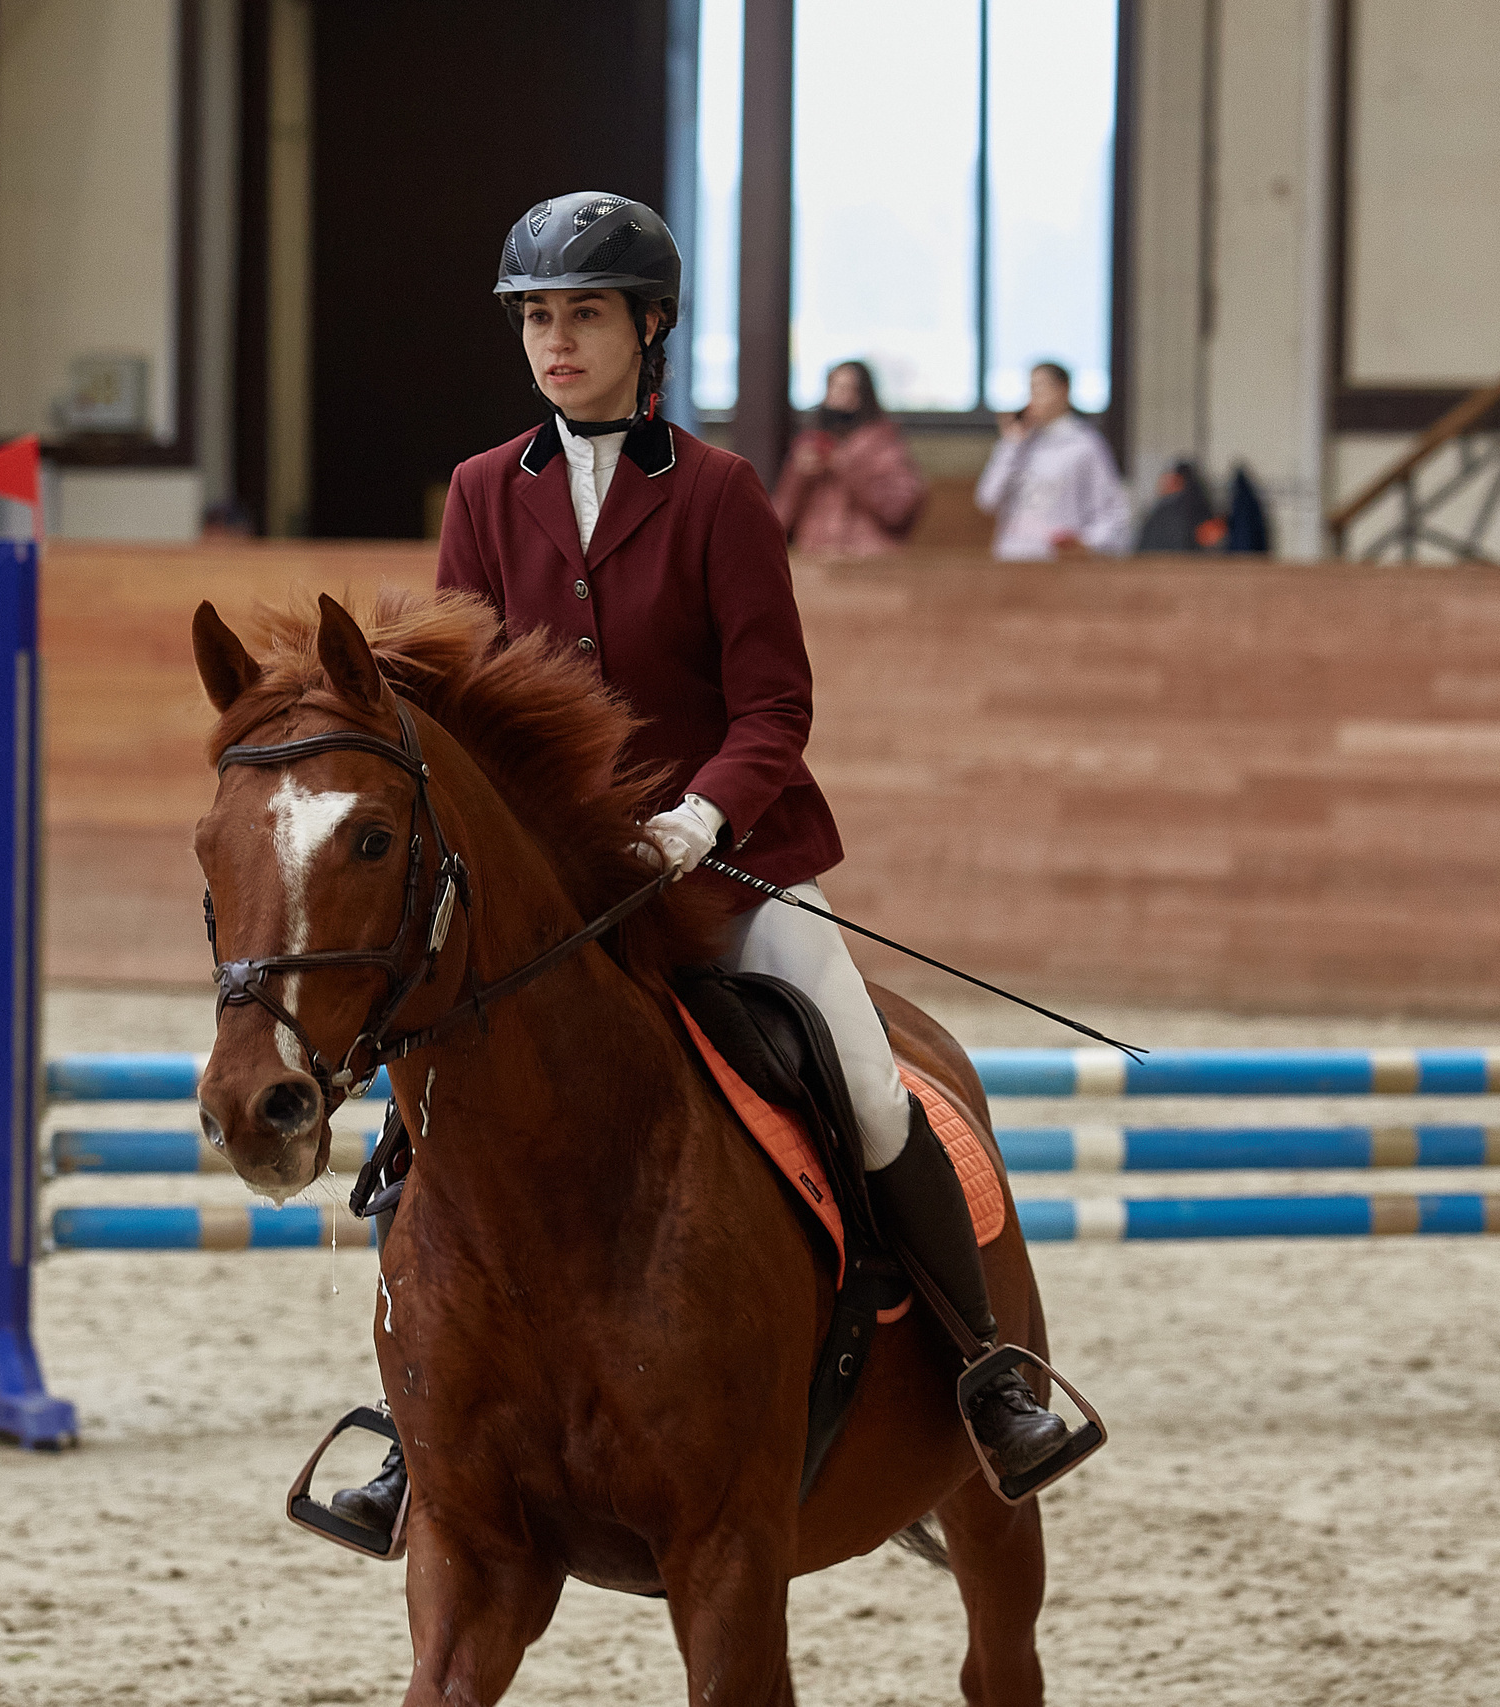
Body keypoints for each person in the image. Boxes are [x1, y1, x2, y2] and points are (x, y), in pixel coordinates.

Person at [327, 190, 1076, 1537]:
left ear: (650, 327)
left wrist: (700, 818)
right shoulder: (486, 491)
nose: (557, 342)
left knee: (868, 1088)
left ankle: (985, 1373)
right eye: (537, 319)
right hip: (555, 900)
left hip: (727, 872)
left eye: (585, 315)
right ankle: (411, 1418)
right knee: (415, 1121)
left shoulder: (722, 493)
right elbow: (457, 698)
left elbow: (775, 707)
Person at [975, 361, 1130, 559]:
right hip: (1013, 556)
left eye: (1040, 388)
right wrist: (1010, 445)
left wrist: (1087, 543)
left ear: (1063, 390)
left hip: (1057, 561)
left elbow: (1112, 513)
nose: (1033, 399)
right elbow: (987, 500)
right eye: (1031, 389)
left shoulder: (1085, 446)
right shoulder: (1018, 444)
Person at [771, 360, 925, 555]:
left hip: (868, 558)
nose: (838, 398)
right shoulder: (810, 444)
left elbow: (898, 510)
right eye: (833, 388)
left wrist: (845, 465)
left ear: (863, 395)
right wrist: (798, 475)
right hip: (815, 557)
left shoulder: (885, 447)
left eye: (847, 389)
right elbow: (778, 519)